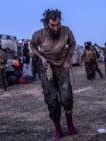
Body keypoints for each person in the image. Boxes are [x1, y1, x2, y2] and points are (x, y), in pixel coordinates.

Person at [30, 8, 76, 140]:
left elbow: (72, 44)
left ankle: (70, 123)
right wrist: (41, 57)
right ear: (46, 24)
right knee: (51, 99)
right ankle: (58, 129)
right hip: (47, 68)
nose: (56, 28)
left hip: (62, 66)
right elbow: (32, 46)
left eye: (58, 24)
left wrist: (67, 60)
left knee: (66, 97)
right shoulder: (39, 34)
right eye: (52, 25)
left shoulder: (66, 31)